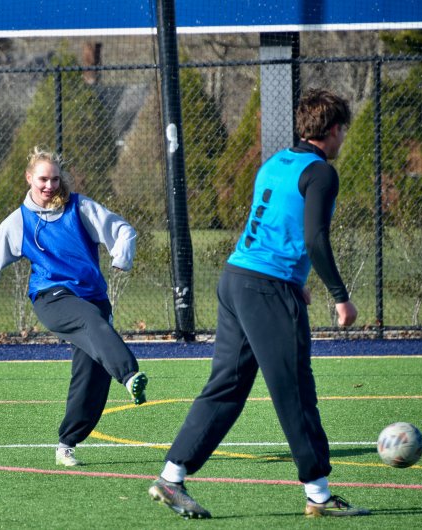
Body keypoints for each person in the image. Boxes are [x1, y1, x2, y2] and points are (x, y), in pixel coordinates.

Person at [148, 89, 370, 519]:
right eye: (343, 131)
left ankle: (171, 478)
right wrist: (340, 296)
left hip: (237, 279)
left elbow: (274, 225)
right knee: (295, 392)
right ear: (335, 129)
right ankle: (320, 497)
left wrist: (295, 280)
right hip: (265, 289)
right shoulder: (320, 172)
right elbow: (314, 239)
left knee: (227, 386)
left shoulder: (276, 163)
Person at [0, 146, 148, 467]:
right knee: (91, 323)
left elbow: (122, 230)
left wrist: (121, 255)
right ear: (29, 178)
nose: (49, 186)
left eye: (55, 179)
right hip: (51, 297)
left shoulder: (79, 208)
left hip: (92, 297)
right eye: (42, 179)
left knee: (91, 375)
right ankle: (129, 375)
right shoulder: (18, 222)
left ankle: (67, 442)